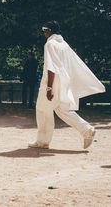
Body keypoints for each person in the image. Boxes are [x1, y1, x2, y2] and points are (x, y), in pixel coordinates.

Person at [29, 21, 105, 149]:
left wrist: (49, 87)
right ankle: (87, 130)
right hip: (64, 81)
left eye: (45, 29)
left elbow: (50, 67)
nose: (44, 32)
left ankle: (43, 141)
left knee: (42, 109)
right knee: (62, 110)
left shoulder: (50, 44)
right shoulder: (63, 44)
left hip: (52, 81)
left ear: (50, 30)